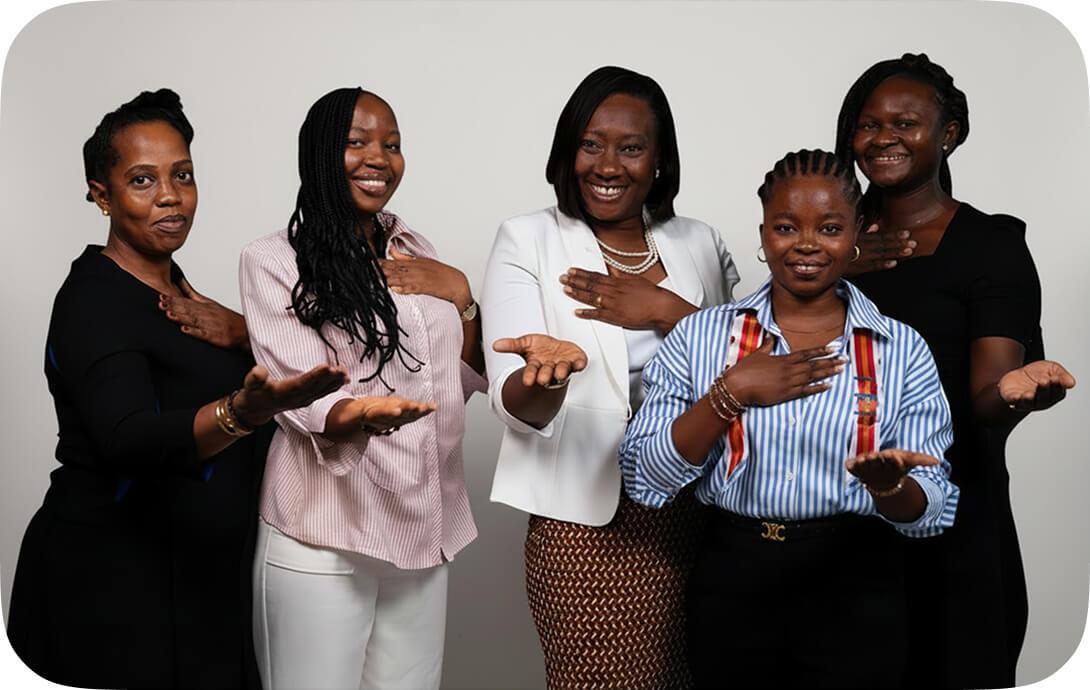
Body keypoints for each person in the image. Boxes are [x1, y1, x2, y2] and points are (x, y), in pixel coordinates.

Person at [5, 88, 347, 689]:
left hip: (200, 587)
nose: (170, 195)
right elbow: (126, 438)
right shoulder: (94, 297)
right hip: (112, 589)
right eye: (142, 180)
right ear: (100, 195)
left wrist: (246, 336)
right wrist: (240, 412)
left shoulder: (184, 295)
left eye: (181, 175)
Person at [620, 149, 964, 689]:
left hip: (857, 581)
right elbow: (645, 476)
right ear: (764, 233)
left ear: (857, 234)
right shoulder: (702, 338)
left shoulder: (902, 349)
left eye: (829, 228)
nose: (806, 243)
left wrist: (892, 488)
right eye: (786, 226)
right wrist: (729, 393)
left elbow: (931, 509)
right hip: (734, 577)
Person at [481, 65, 778, 690]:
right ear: (568, 150)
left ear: (660, 160)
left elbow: (746, 365)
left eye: (631, 147)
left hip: (695, 510)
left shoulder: (698, 242)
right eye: (591, 144)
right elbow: (517, 405)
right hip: (585, 526)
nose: (608, 165)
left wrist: (668, 311)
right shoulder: (527, 239)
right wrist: (548, 377)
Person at [834, 53, 1076, 689]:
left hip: (953, 532)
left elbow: (985, 405)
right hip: (834, 529)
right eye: (867, 124)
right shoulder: (827, 243)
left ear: (950, 134)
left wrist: (1019, 394)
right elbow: (763, 348)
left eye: (905, 122)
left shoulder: (990, 245)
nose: (882, 138)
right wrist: (837, 264)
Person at [241, 87, 486, 690]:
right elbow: (302, 395)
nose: (379, 157)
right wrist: (360, 413)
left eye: (393, 145)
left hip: (422, 526)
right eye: (356, 142)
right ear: (320, 154)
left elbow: (451, 380)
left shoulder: (415, 249)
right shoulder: (273, 260)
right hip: (324, 536)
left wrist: (462, 294)